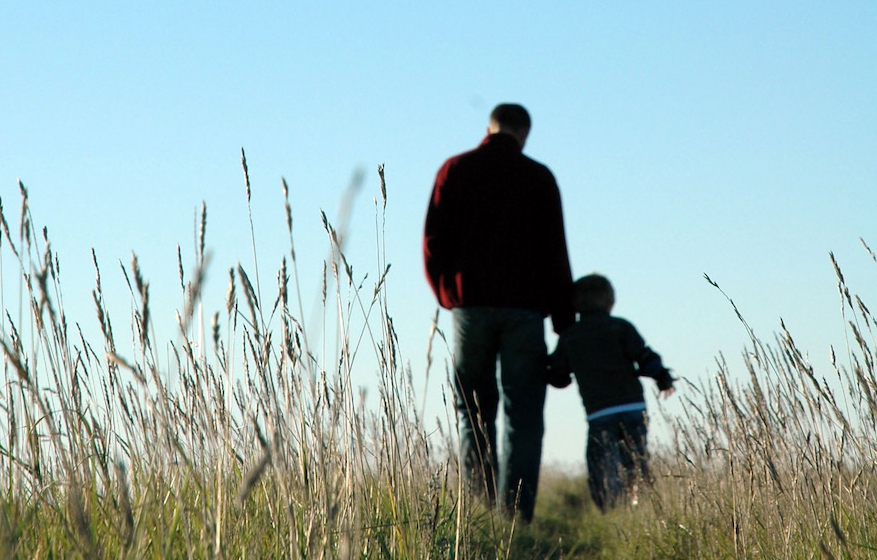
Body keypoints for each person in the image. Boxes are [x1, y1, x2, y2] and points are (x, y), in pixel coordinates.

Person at [423, 103, 574, 522]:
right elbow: (555, 253)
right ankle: (516, 517)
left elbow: (433, 241)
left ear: (488, 127)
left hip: (470, 307)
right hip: (524, 312)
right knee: (523, 415)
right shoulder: (539, 178)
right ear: (524, 133)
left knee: (474, 411)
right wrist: (565, 323)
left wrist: (448, 293)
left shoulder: (454, 169)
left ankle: (482, 513)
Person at [547, 274, 675, 512]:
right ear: (610, 302)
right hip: (633, 408)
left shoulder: (570, 336)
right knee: (636, 462)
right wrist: (663, 378)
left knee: (601, 466)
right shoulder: (621, 327)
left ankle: (610, 510)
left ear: (576, 304)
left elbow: (558, 376)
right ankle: (641, 507)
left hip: (599, 413)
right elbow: (646, 358)